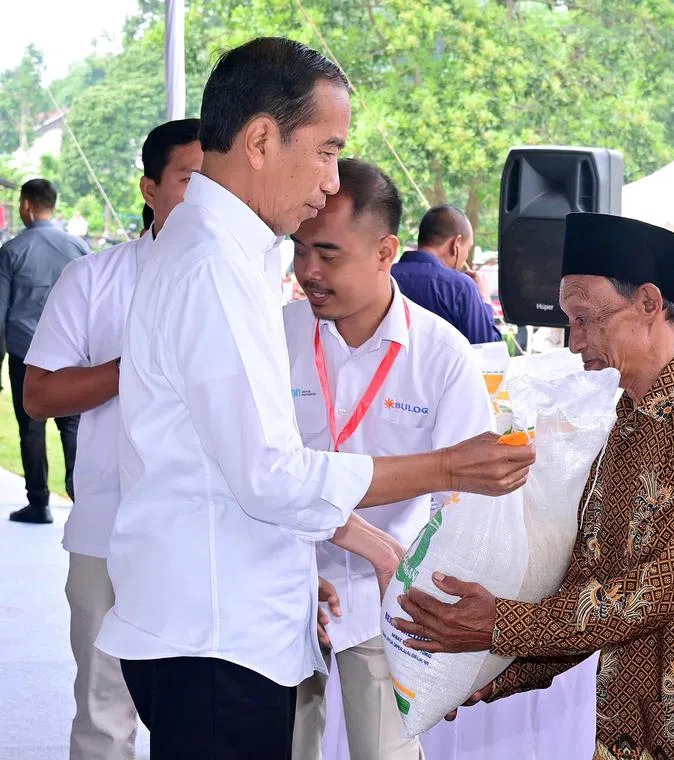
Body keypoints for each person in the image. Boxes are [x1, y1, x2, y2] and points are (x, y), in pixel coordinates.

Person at [93, 38, 533, 760]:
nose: (330, 184)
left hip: (231, 620)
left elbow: (233, 467)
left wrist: (294, 565)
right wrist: (447, 467)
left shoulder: (229, 257)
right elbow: (270, 473)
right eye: (327, 150)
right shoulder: (213, 268)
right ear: (262, 139)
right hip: (214, 635)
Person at [395, 212, 674, 760]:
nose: (574, 342)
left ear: (647, 303)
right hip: (633, 714)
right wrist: (493, 676)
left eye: (587, 319)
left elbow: (663, 585)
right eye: (570, 321)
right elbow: (589, 579)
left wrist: (500, 624)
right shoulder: (617, 423)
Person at [285, 158, 492, 760]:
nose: (307, 272)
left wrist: (424, 588)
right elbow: (252, 472)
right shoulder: (272, 337)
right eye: (299, 250)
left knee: (386, 752)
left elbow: (462, 499)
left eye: (328, 254)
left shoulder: (441, 355)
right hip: (280, 585)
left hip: (388, 602)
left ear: (385, 252)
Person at [20, 119, 201, 760]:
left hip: (209, 543)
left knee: (198, 718)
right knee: (103, 713)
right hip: (107, 530)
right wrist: (135, 368)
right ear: (150, 188)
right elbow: (38, 394)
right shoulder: (93, 279)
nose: (205, 196)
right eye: (189, 180)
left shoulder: (255, 282)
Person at [0, 178, 89, 524]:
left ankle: (39, 503)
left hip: (27, 352)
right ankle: (82, 497)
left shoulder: (12, 251)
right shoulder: (78, 247)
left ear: (26, 205)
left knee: (32, 428)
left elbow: (0, 312)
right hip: (72, 352)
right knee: (73, 426)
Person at [391, 204, 501, 344]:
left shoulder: (383, 277)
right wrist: (485, 300)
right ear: (456, 244)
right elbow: (486, 350)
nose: (465, 257)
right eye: (468, 248)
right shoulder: (460, 288)